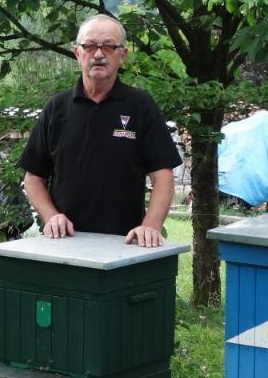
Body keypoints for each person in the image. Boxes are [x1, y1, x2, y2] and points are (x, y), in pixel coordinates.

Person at [18, 14, 182, 247]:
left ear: (122, 55)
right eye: (90, 46)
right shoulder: (57, 108)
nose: (98, 54)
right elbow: (33, 177)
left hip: (125, 243)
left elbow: (163, 177)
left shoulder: (141, 106)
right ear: (77, 53)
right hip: (64, 242)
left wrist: (151, 225)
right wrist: (51, 216)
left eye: (108, 46)